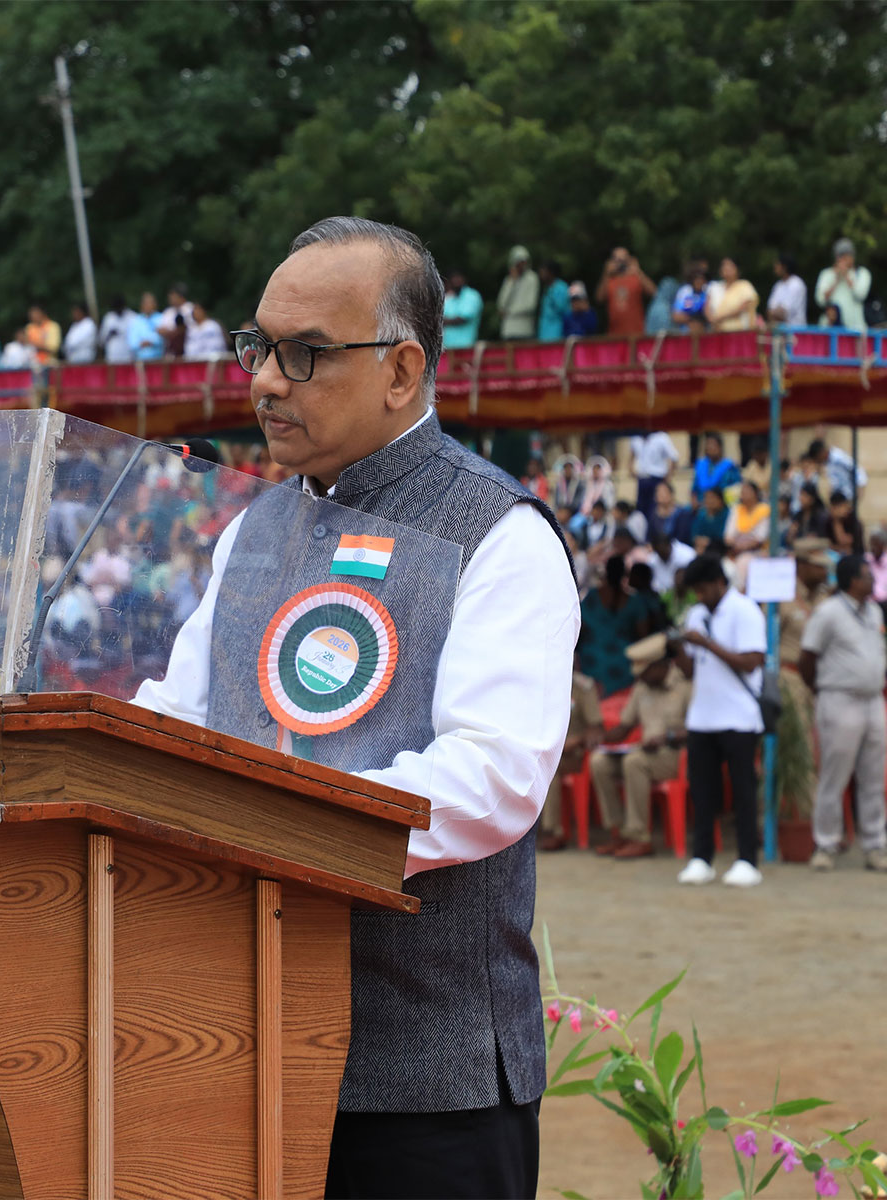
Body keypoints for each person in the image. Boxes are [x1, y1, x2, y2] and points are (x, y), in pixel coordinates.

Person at [139, 216, 577, 1195]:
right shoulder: (253, 527)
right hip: (234, 1044)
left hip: (428, 1078)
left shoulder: (499, 534)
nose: (262, 381)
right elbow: (175, 717)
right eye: (258, 347)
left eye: (305, 354)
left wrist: (266, 821)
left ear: (400, 369)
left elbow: (491, 778)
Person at [675, 554, 767, 887]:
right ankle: (702, 858)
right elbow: (690, 670)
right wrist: (677, 649)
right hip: (702, 716)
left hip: (740, 717)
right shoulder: (697, 614)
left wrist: (708, 644)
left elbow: (753, 661)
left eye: (702, 589)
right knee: (702, 792)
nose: (699, 597)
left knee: (743, 791)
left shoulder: (745, 610)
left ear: (718, 583)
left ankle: (747, 860)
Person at [799, 554, 887, 871]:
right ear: (852, 580)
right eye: (867, 576)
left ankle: (875, 845)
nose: (873, 581)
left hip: (873, 700)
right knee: (834, 776)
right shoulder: (828, 613)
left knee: (874, 777)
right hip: (839, 698)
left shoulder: (874, 610)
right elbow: (807, 658)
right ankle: (825, 843)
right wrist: (820, 688)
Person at [589, 633, 690, 858]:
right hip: (645, 753)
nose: (640, 677)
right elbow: (625, 727)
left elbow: (696, 730)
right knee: (599, 762)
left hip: (674, 757)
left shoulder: (684, 686)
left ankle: (639, 837)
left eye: (644, 672)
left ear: (660, 665)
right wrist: (602, 738)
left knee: (634, 762)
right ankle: (618, 832)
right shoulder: (642, 687)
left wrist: (666, 738)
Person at [778, 539, 832, 820]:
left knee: (823, 750)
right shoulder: (781, 597)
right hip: (790, 677)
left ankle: (817, 817)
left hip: (822, 682)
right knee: (801, 749)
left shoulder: (828, 597)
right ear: (800, 565)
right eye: (818, 566)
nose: (824, 572)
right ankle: (807, 820)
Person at [537, 650, 602, 851]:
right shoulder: (542, 685)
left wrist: (577, 741)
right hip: (543, 751)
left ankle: (553, 831)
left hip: (573, 755)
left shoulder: (583, 688)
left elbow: (596, 728)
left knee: (548, 769)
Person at [580, 554, 648, 695]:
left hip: (592, 659)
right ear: (625, 574)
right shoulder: (635, 602)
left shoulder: (592, 596)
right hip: (622, 661)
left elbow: (580, 625)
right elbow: (644, 635)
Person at [815, 238, 872, 331]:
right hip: (829, 329)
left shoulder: (862, 273)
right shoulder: (826, 274)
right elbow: (820, 300)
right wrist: (836, 280)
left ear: (852, 257)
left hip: (855, 329)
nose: (843, 259)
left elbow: (860, 295)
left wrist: (846, 276)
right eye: (840, 256)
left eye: (846, 256)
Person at [598, 247, 656, 336]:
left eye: (624, 259)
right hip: (614, 335)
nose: (620, 263)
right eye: (617, 260)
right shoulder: (609, 280)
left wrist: (638, 271)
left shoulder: (636, 278)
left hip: (636, 334)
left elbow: (654, 292)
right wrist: (606, 273)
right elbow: (599, 298)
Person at [724, 481, 770, 586]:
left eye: (747, 491)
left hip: (758, 552)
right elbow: (728, 536)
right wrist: (736, 545)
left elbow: (759, 538)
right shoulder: (737, 509)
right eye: (742, 492)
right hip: (735, 551)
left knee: (743, 564)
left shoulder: (764, 509)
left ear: (755, 493)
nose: (743, 494)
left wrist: (742, 543)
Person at [629, 431, 679, 524]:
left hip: (656, 479)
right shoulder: (635, 437)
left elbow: (674, 457)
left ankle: (655, 533)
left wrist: (668, 477)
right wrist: (631, 468)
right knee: (641, 510)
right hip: (642, 479)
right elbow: (632, 454)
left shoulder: (661, 437)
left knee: (655, 509)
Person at [496, 245, 539, 339]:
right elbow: (501, 304)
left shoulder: (532, 278)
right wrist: (513, 282)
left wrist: (509, 312)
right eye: (518, 262)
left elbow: (530, 305)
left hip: (524, 330)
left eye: (522, 262)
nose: (520, 265)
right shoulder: (509, 279)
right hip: (508, 330)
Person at [807, 435, 867, 500]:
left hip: (848, 496)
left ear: (821, 453)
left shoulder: (838, 457)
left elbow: (857, 469)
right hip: (838, 496)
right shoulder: (827, 462)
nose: (818, 462)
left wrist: (860, 487)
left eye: (817, 459)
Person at [707, 257, 758, 331]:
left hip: (740, 332)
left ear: (737, 269)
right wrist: (712, 320)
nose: (726, 268)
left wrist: (720, 318)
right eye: (724, 266)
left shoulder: (744, 285)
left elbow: (744, 307)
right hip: (718, 332)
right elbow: (707, 307)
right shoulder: (715, 287)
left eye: (730, 266)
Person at [691, 432, 740, 501]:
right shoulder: (701, 466)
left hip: (723, 506)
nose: (710, 448)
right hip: (702, 506)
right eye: (707, 445)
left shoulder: (730, 467)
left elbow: (736, 489)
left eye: (713, 444)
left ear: (720, 447)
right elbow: (694, 489)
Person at [441, 270, 483, 349]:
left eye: (458, 278)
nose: (456, 281)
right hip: (448, 347)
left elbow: (463, 319)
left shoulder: (472, 296)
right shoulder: (448, 297)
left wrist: (442, 321)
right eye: (453, 278)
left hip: (466, 347)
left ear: (464, 279)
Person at [767, 254, 808, 327]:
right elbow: (769, 312)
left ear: (784, 267)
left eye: (777, 264)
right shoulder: (778, 285)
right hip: (780, 332)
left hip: (796, 332)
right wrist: (775, 312)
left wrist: (775, 313)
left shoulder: (797, 284)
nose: (775, 266)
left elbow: (783, 313)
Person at [536, 261, 570, 341]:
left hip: (556, 334)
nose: (541, 274)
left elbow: (564, 310)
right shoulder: (547, 288)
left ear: (551, 272)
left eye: (543, 271)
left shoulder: (561, 287)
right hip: (544, 334)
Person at [671, 266, 711, 331]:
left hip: (705, 331)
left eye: (701, 279)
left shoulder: (708, 292)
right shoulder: (685, 291)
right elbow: (676, 316)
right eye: (696, 278)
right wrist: (693, 319)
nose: (699, 281)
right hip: (686, 332)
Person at [690, 487, 728, 554]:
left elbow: (723, 536)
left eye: (712, 498)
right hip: (700, 548)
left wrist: (709, 542)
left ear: (720, 500)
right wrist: (698, 540)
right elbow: (694, 534)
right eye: (707, 498)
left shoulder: (727, 514)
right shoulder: (702, 514)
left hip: (720, 549)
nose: (709, 501)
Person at [127, 293, 164, 360]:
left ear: (155, 304)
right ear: (141, 305)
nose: (148, 306)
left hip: (159, 360)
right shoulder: (136, 321)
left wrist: (151, 342)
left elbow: (163, 339)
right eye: (146, 303)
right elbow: (132, 343)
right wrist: (141, 344)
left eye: (150, 303)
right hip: (140, 360)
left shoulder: (161, 318)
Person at [98, 294, 133, 363]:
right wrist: (109, 334)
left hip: (128, 357)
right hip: (112, 357)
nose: (118, 311)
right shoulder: (108, 318)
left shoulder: (132, 317)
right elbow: (101, 340)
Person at [828, 491, 865, 556]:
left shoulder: (853, 521)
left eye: (843, 506)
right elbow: (828, 544)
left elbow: (844, 542)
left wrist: (837, 521)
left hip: (855, 556)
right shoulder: (829, 520)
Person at [866, 528, 887, 603]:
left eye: (877, 544)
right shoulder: (865, 560)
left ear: (883, 545)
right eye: (872, 544)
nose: (873, 547)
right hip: (869, 602)